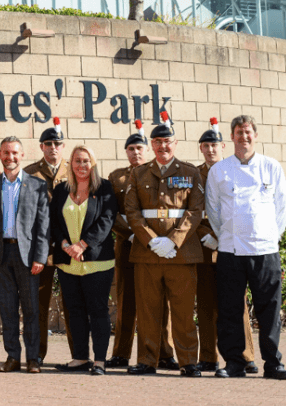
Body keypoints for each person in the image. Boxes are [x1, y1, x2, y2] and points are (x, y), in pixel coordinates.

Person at [206, 115, 286, 380]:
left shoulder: (271, 167)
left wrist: (269, 236)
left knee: (269, 309)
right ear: (230, 137)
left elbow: (282, 207)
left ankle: (273, 363)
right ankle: (234, 363)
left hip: (265, 250)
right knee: (230, 309)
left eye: (248, 132)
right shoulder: (219, 170)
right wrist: (227, 236)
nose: (243, 137)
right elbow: (213, 210)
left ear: (255, 135)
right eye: (238, 132)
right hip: (231, 250)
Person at [125, 112, 203, 377]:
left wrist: (173, 242)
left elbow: (195, 212)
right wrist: (151, 241)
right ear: (152, 145)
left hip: (180, 255)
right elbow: (132, 212)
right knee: (147, 312)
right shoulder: (138, 174)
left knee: (182, 312)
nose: (162, 146)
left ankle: (188, 362)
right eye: (157, 142)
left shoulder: (190, 173)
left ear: (175, 142)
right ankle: (148, 360)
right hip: (147, 255)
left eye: (167, 141)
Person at [106, 120, 179, 371]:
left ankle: (165, 353)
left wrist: (154, 237)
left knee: (161, 300)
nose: (135, 152)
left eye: (139, 148)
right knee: (125, 301)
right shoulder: (116, 177)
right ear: (126, 152)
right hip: (127, 244)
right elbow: (111, 213)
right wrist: (131, 234)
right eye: (131, 149)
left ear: (147, 150)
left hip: (156, 245)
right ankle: (121, 353)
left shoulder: (157, 172)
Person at [195, 118, 258, 374]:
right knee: (207, 304)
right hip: (204, 247)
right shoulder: (192, 174)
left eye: (214, 145)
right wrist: (206, 235)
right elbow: (190, 213)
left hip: (232, 246)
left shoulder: (234, 169)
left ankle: (246, 356)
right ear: (201, 149)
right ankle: (209, 357)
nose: (210, 150)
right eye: (205, 145)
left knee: (236, 304)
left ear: (224, 145)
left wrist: (223, 238)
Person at [0, 137, 50, 374]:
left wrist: (41, 257)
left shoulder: (37, 185)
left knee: (31, 309)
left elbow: (43, 225)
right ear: (0, 155)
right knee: (8, 310)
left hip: (28, 256)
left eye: (14, 153)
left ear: (22, 156)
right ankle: (12, 357)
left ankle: (33, 359)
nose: (10, 157)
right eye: (6, 153)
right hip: (2, 255)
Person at [50, 145, 117, 376]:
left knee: (98, 310)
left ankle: (99, 361)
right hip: (68, 262)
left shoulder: (104, 188)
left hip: (97, 262)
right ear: (71, 163)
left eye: (86, 161)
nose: (81, 166)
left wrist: (83, 244)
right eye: (77, 161)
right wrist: (64, 245)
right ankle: (80, 357)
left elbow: (107, 220)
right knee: (75, 310)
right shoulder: (61, 190)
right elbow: (54, 222)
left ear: (93, 163)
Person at [23, 118, 75, 364]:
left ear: (63, 146)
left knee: (73, 303)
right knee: (37, 305)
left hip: (69, 248)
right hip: (40, 249)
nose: (53, 147)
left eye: (57, 143)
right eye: (48, 143)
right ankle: (37, 354)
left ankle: (79, 356)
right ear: (41, 146)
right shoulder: (30, 173)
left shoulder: (74, 170)